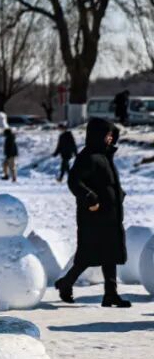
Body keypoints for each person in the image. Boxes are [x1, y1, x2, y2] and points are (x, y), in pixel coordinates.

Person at [54, 117, 130, 308]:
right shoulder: (87, 157)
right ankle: (66, 283)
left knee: (110, 254)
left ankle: (111, 294)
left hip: (110, 216)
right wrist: (90, 198)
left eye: (112, 135)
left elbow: (106, 182)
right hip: (93, 217)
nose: (110, 138)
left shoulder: (104, 156)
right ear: (97, 135)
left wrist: (118, 194)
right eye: (107, 134)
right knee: (87, 256)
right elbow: (74, 181)